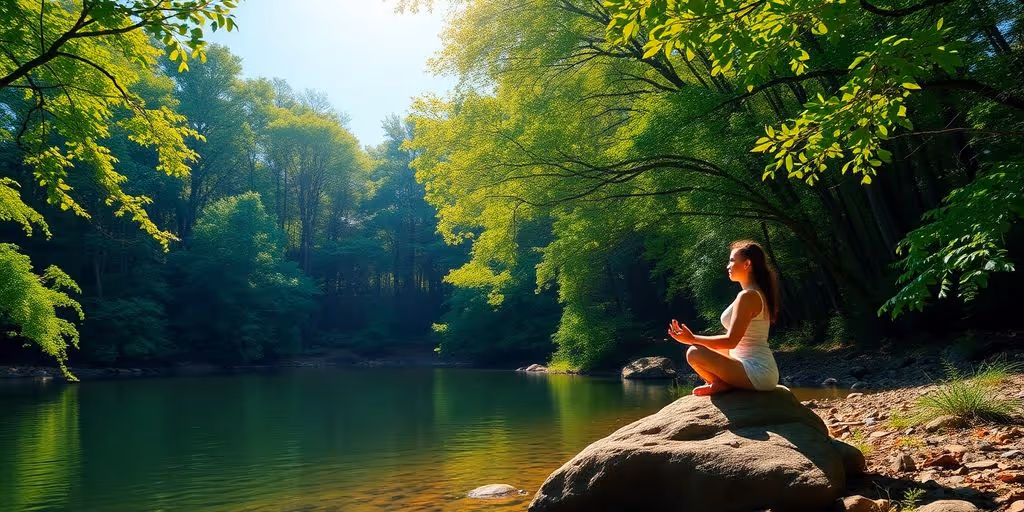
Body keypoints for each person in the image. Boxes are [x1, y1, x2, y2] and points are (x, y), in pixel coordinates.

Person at [667, 240, 780, 396]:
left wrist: (692, 338)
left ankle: (721, 383)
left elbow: (731, 341)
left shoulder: (749, 296)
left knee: (694, 352)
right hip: (743, 362)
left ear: (747, 264)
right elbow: (732, 345)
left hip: (758, 370)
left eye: (732, 260)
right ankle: (721, 383)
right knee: (698, 351)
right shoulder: (751, 293)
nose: (728, 265)